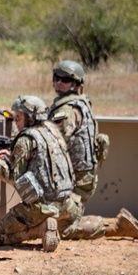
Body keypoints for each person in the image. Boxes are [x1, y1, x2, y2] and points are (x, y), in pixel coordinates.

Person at [0, 95, 138, 252]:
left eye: (18, 118)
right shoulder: (53, 131)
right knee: (64, 230)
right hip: (67, 203)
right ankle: (116, 226)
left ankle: (39, 230)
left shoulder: (26, 139)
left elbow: (14, 177)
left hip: (42, 206)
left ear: (30, 118)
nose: (16, 122)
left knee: (0, 233)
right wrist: (14, 157)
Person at [47, 60, 108, 205]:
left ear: (76, 84)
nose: (59, 82)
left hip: (76, 178)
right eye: (57, 78)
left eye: (66, 79)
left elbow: (52, 141)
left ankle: (110, 226)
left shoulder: (67, 110)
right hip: (82, 176)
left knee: (60, 221)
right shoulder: (82, 102)